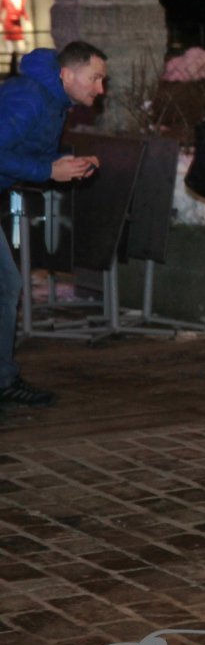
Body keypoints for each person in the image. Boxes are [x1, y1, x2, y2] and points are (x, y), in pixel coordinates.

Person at [0, 43, 106, 412]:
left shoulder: (53, 101)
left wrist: (65, 163)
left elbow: (26, 151)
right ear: (68, 74)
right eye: (95, 78)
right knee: (5, 286)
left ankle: (4, 380)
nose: (100, 89)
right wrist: (48, 170)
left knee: (5, 286)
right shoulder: (30, 97)